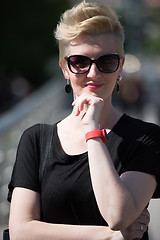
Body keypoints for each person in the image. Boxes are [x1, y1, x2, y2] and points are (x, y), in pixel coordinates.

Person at [8, 1, 160, 240]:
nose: (93, 73)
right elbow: (21, 231)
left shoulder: (146, 138)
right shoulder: (36, 139)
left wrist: (92, 129)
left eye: (106, 62)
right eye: (79, 62)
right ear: (65, 69)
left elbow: (117, 215)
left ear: (120, 67)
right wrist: (111, 236)